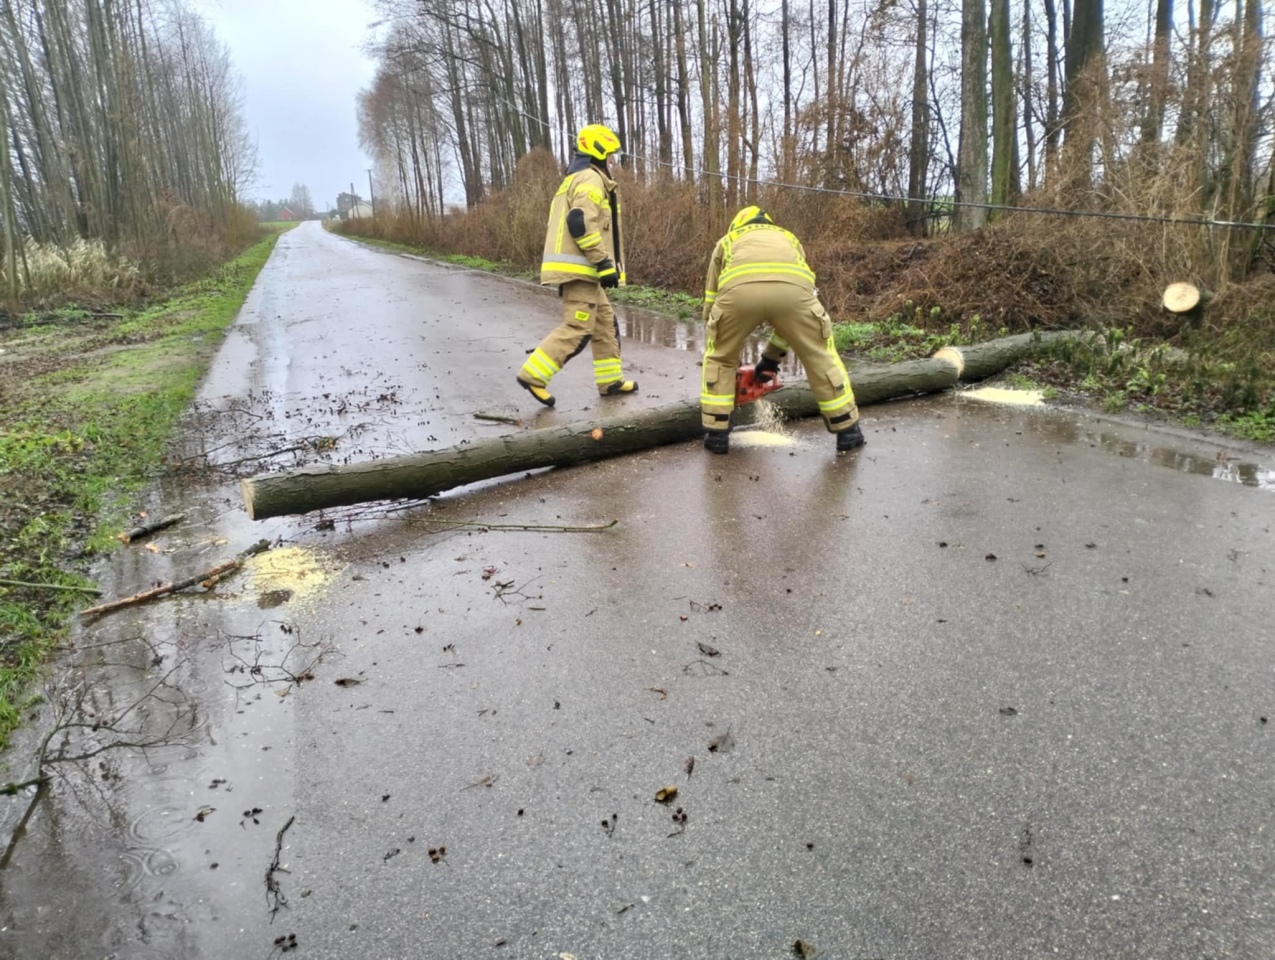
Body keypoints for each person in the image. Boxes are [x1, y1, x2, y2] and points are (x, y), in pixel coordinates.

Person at [699, 205, 864, 454]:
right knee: (820, 354)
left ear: (738, 225)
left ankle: (717, 433)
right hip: (794, 295)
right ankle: (848, 429)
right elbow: (795, 309)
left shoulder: (729, 240)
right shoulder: (789, 238)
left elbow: (711, 295)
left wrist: (719, 333)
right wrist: (769, 359)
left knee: (720, 357)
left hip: (737, 295)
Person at [516, 123, 638, 408]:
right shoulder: (590, 179)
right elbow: (580, 222)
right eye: (610, 155)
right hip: (582, 269)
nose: (613, 161)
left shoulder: (581, 178)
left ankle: (610, 381)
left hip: (586, 271)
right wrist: (604, 262)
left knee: (605, 324)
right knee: (578, 327)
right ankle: (533, 375)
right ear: (598, 153)